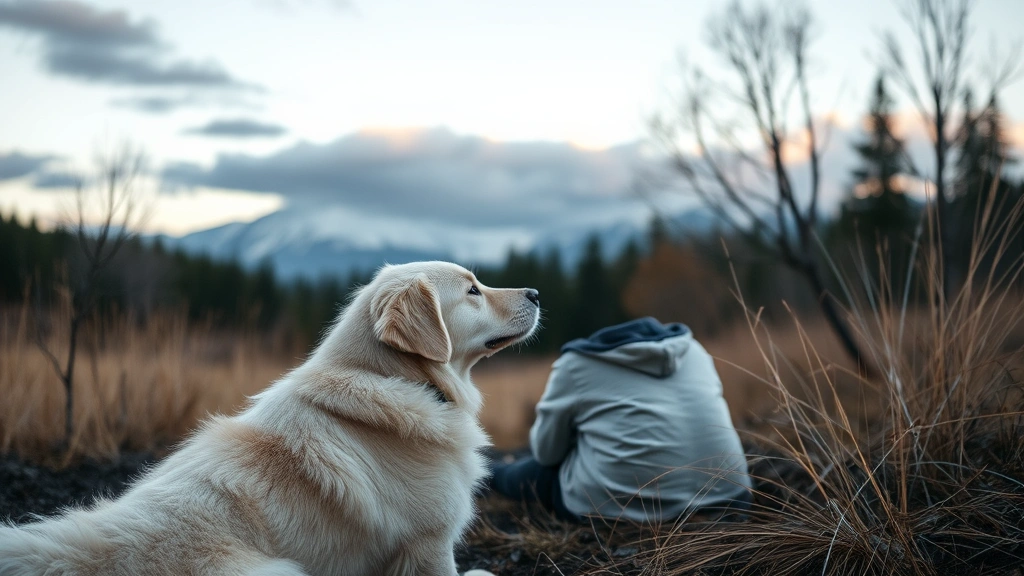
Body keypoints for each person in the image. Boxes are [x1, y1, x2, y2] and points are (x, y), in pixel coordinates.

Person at [488, 317, 751, 523]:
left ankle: (489, 476)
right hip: (732, 496)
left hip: (614, 511)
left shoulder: (577, 364)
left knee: (539, 474)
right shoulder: (695, 350)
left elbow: (547, 454)